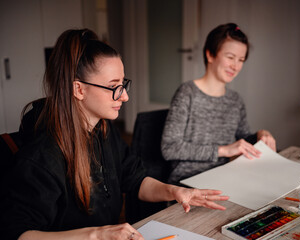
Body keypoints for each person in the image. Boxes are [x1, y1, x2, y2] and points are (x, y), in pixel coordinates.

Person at [0, 29, 229, 240]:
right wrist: (96, 235)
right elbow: (19, 233)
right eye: (113, 87)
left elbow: (135, 179)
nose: (124, 97)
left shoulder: (103, 131)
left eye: (123, 84)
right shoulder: (43, 155)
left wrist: (175, 191)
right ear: (78, 89)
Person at [161, 23, 276, 184]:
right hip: (188, 181)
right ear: (210, 55)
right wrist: (223, 150)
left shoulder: (235, 99)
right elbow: (170, 148)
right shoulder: (187, 93)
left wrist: (260, 134)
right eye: (230, 57)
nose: (235, 66)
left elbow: (243, 140)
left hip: (226, 176)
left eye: (241, 60)